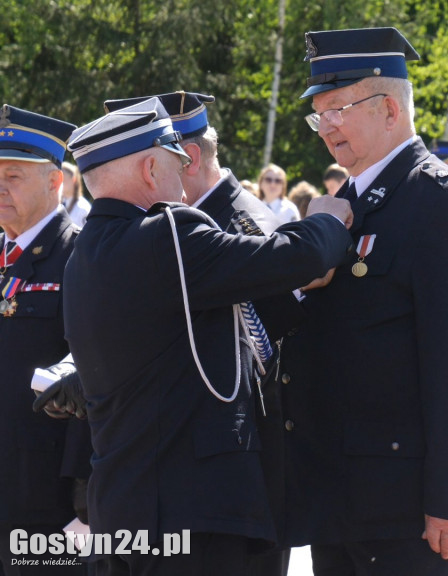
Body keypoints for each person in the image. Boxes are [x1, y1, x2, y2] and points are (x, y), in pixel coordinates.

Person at [61, 97, 354, 575]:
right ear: (151, 167)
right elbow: (289, 260)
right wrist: (324, 221)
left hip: (122, 508)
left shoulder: (82, 256)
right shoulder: (168, 235)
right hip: (188, 511)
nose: (183, 176)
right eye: (176, 161)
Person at [280, 27, 448, 575]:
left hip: (414, 509)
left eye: (338, 107)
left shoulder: (442, 204)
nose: (326, 126)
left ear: (388, 109)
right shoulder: (343, 204)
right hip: (344, 497)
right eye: (319, 114)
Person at [103, 89, 309, 576]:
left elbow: (276, 352)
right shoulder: (171, 226)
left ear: (188, 157)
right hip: (183, 474)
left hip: (238, 481)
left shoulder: (238, 224)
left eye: (144, 159)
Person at [0, 104, 91, 574]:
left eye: (13, 175)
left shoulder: (81, 255)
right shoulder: (3, 255)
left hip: (45, 500)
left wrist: (85, 501)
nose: (0, 187)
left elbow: (98, 372)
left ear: (55, 181)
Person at [60, 161, 90, 227]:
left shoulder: (82, 208)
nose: (59, 183)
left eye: (63, 179)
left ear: (73, 179)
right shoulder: (59, 204)